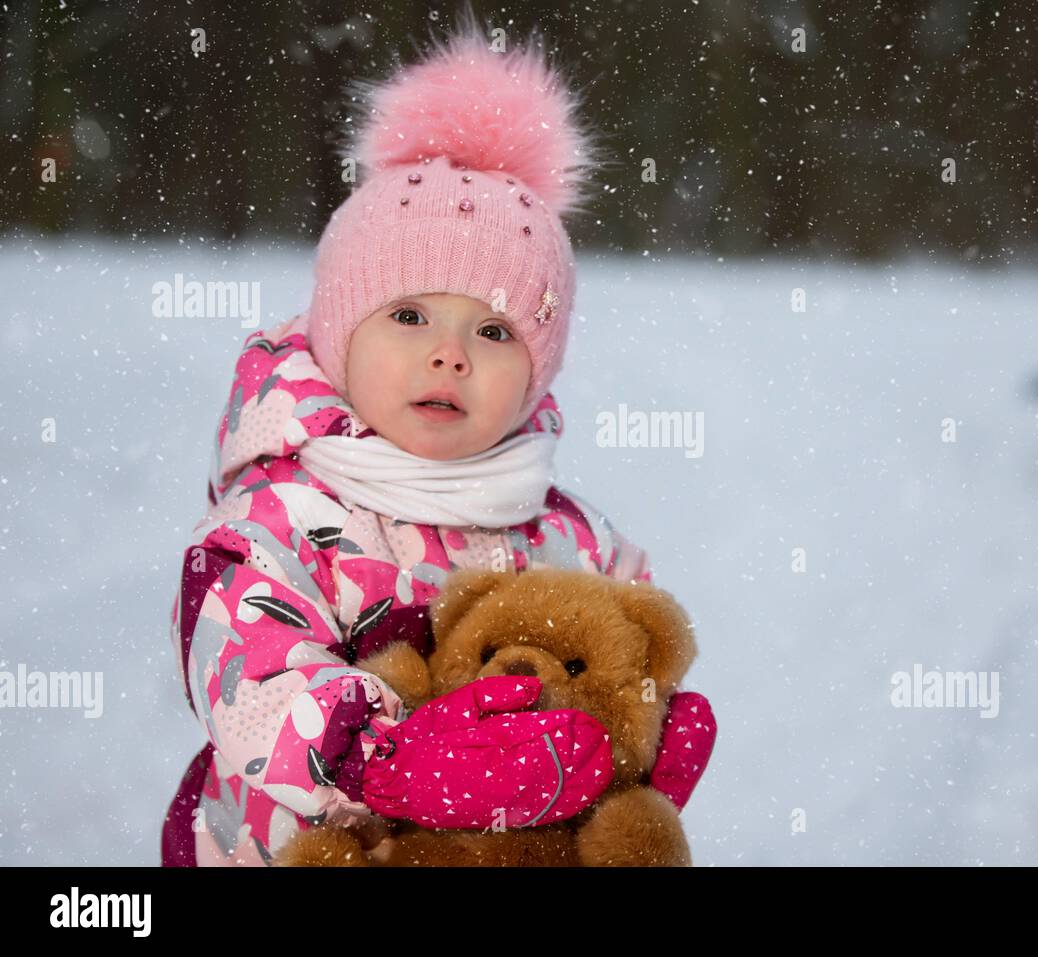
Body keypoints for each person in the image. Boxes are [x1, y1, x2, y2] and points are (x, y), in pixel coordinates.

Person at [160, 20, 716, 866]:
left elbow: (624, 641)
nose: (449, 352)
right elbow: (248, 679)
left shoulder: (564, 533)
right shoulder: (278, 519)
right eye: (410, 315)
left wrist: (634, 734)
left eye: (494, 330)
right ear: (340, 337)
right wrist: (390, 760)